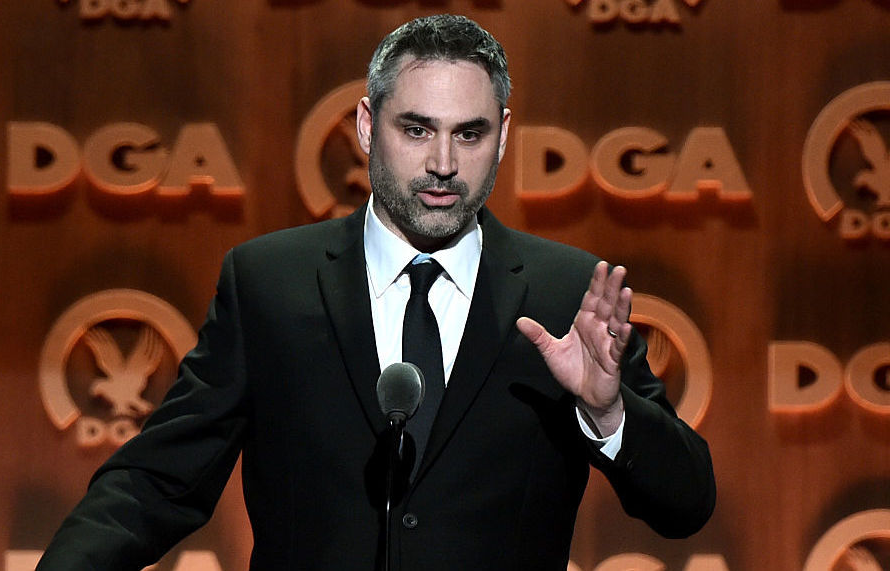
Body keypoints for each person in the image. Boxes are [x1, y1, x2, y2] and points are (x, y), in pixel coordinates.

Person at [37, 14, 715, 570]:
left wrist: (608, 414)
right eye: (416, 129)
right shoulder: (271, 284)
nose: (444, 164)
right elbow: (155, 482)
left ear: (504, 136)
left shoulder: (566, 292)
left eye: (469, 134)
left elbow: (685, 503)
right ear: (366, 125)